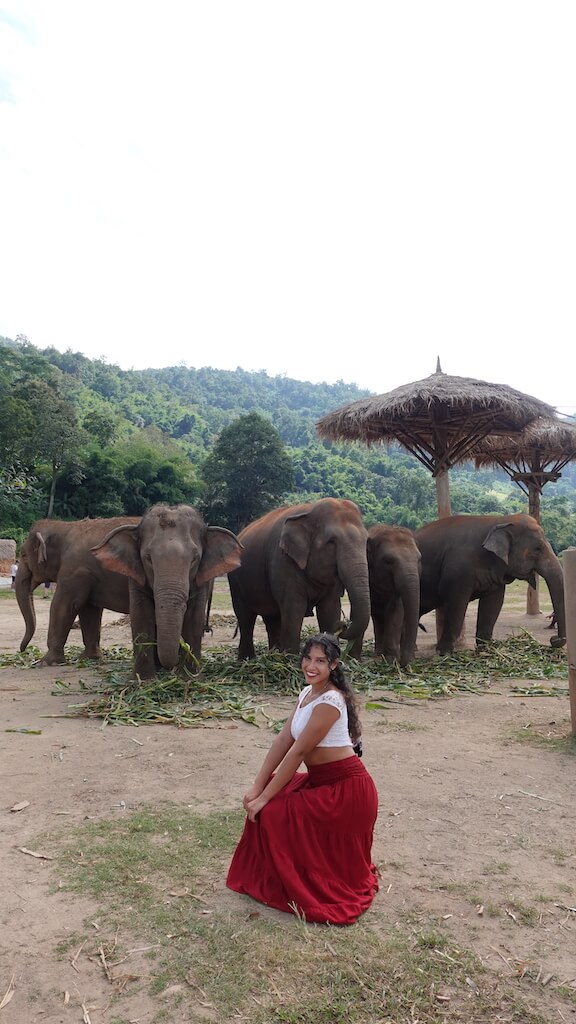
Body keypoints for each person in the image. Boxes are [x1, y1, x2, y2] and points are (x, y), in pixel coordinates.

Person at [226, 633, 379, 925]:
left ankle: (298, 882)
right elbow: (284, 739)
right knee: (268, 795)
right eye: (308, 659)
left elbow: (297, 753)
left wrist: (264, 799)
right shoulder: (306, 694)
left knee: (270, 811)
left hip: (346, 792)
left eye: (320, 661)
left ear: (334, 665)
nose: (311, 666)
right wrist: (257, 787)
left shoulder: (331, 700)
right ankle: (274, 878)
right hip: (322, 783)